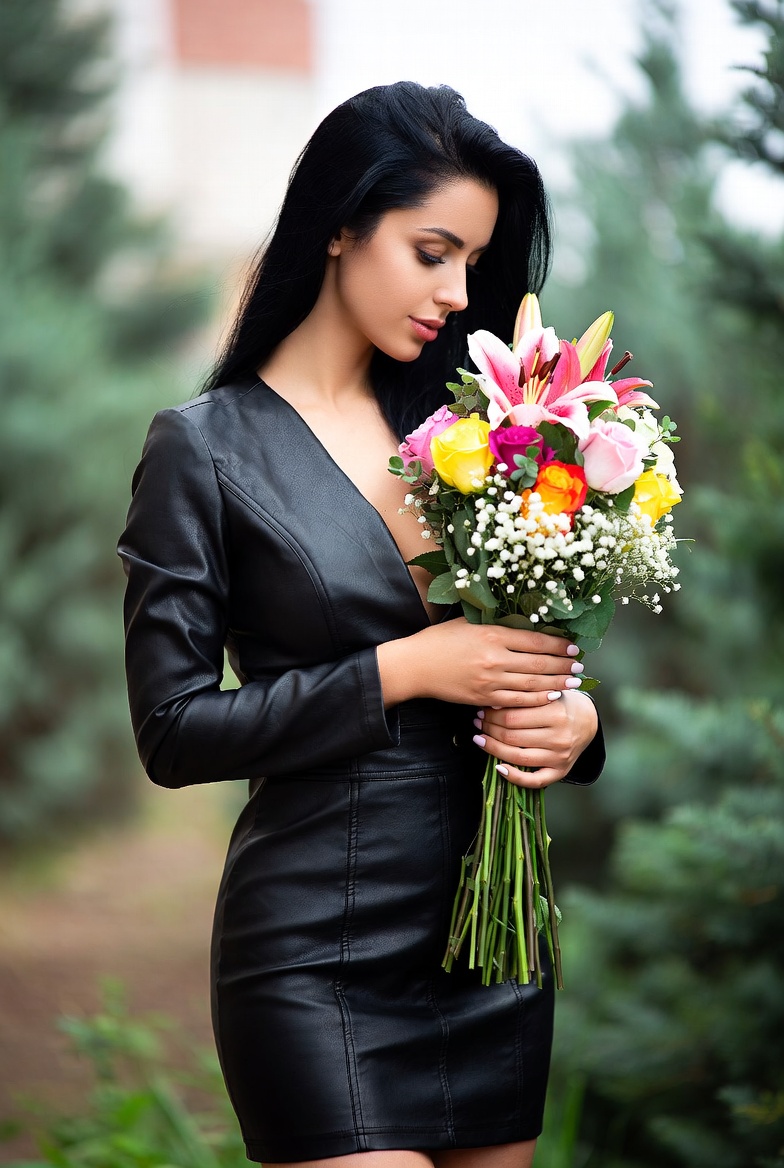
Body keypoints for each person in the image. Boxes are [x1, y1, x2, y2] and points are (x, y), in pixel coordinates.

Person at [118, 82, 605, 1168]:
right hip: (312, 952)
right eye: (430, 251)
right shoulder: (203, 449)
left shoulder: (478, 429)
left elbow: (523, 652)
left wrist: (572, 723)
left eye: (471, 263)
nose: (454, 290)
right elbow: (174, 728)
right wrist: (401, 667)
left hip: (493, 942)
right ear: (340, 223)